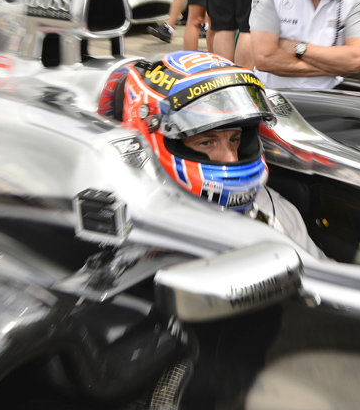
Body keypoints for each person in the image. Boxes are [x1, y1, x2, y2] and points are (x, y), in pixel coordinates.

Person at [105, 51, 322, 257]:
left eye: (234, 140)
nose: (231, 158)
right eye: (207, 142)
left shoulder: (274, 209)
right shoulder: (132, 228)